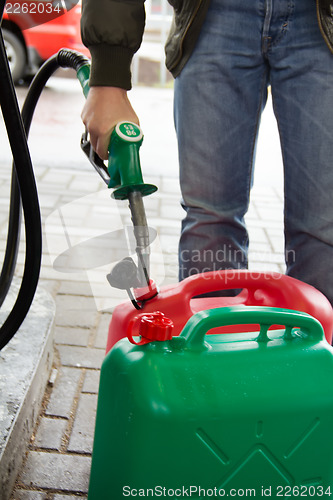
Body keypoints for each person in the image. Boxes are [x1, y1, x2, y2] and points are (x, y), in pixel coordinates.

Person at [81, 0, 333, 307]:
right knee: (211, 221)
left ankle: (319, 352)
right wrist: (108, 76)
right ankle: (213, 348)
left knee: (324, 226)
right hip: (213, 13)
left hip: (322, 21)